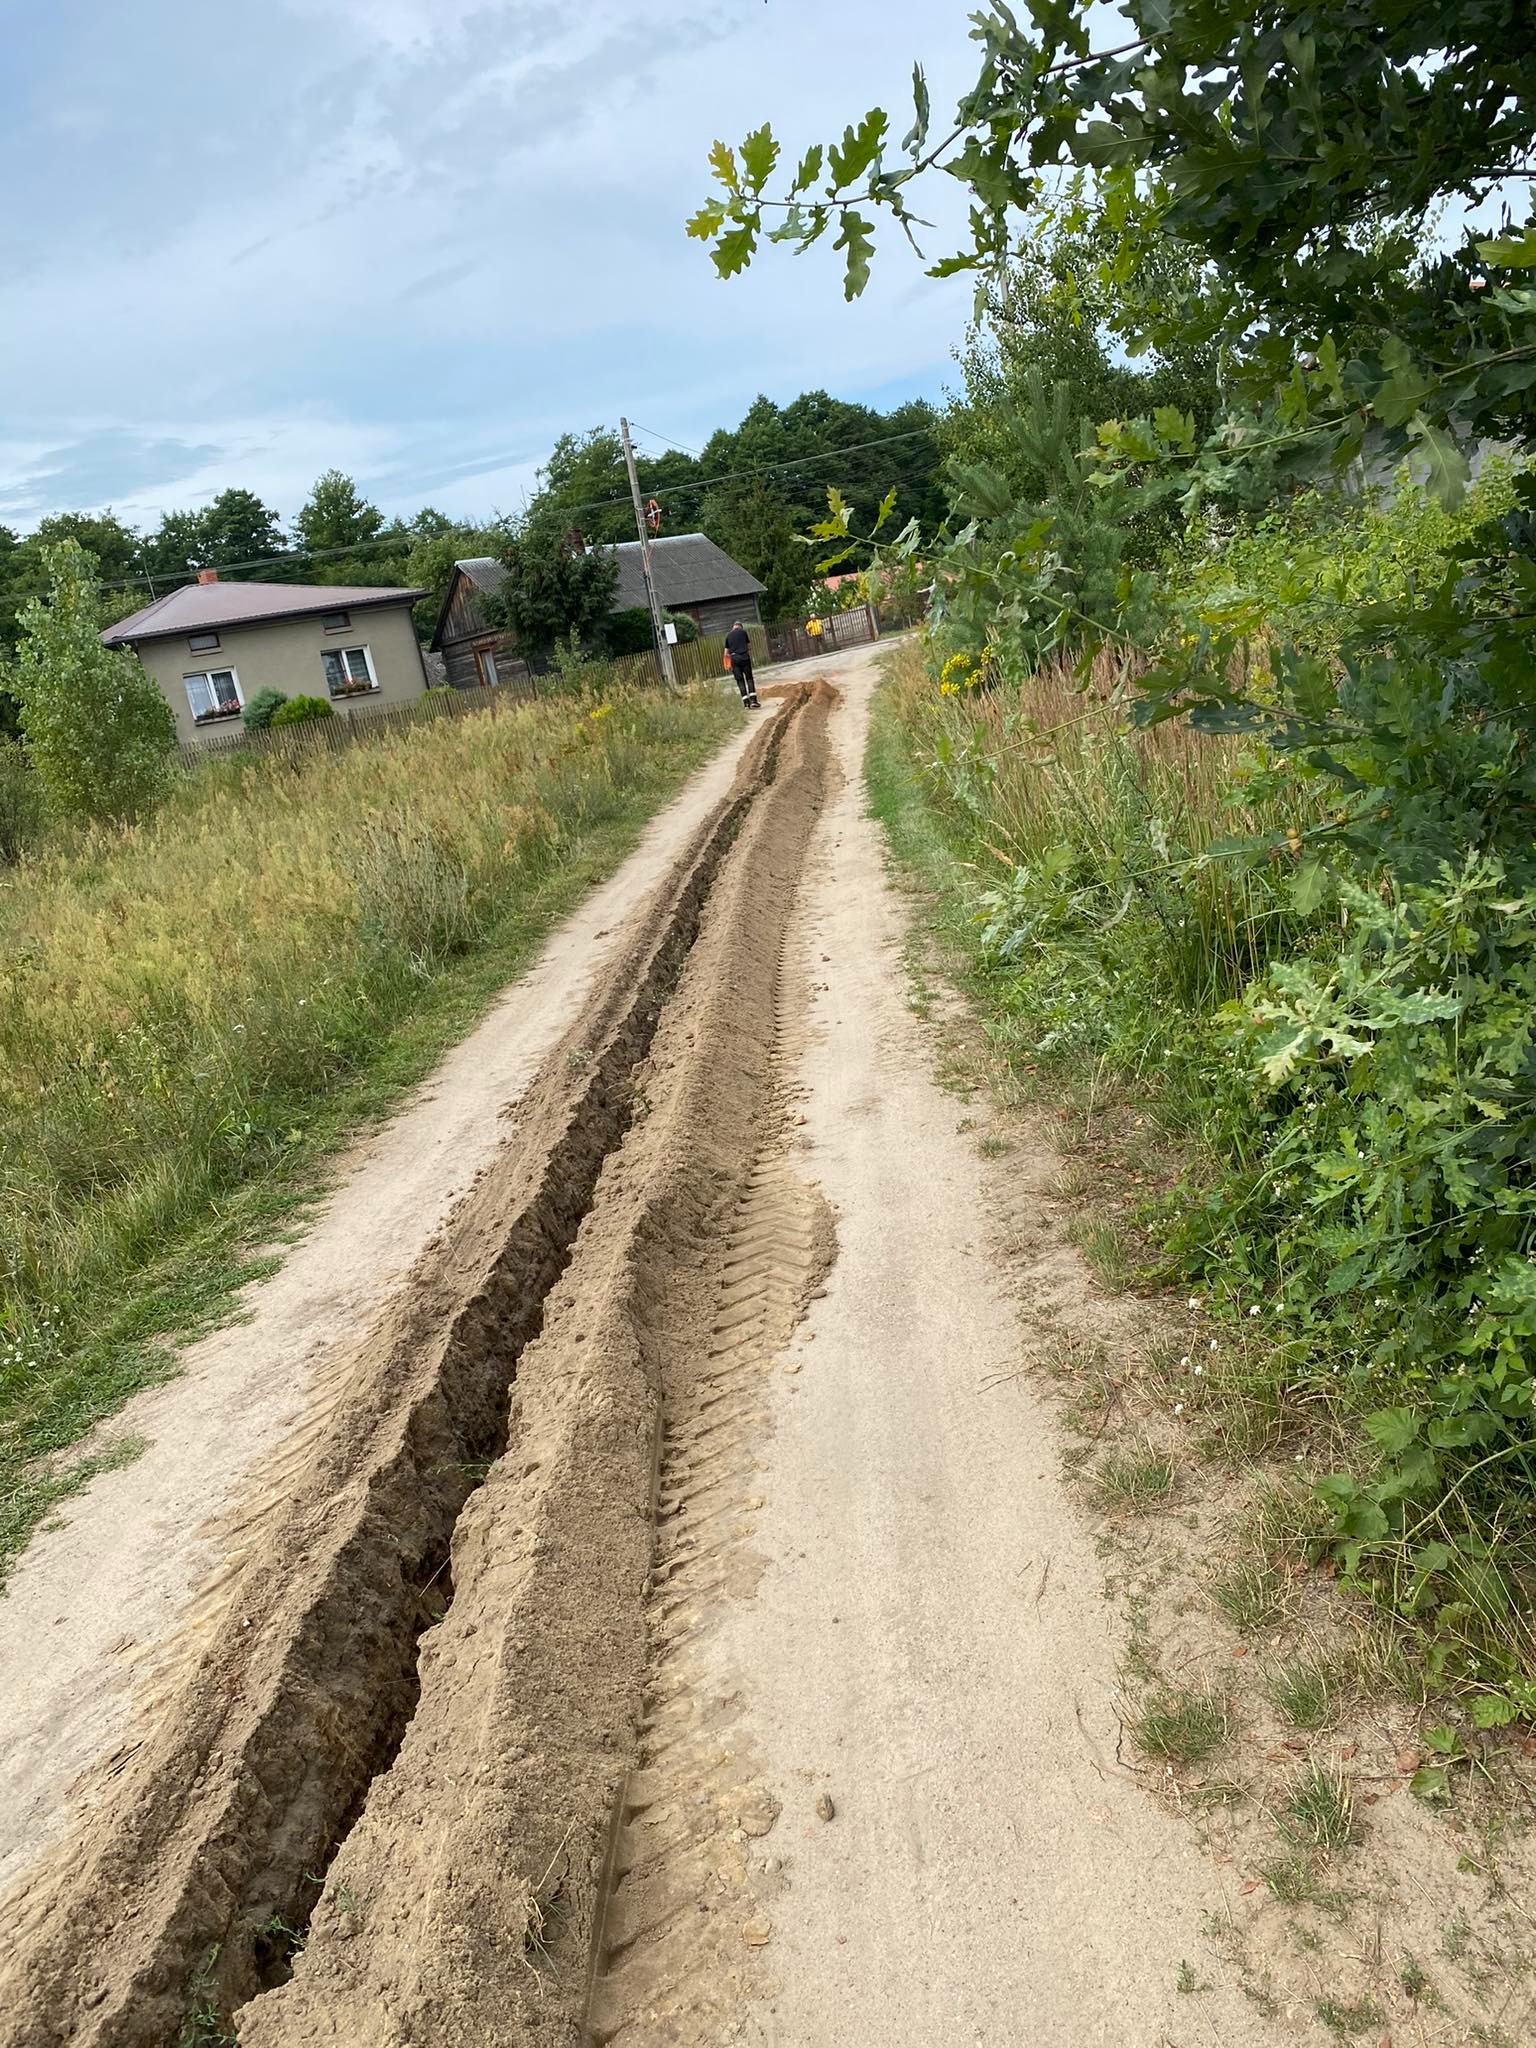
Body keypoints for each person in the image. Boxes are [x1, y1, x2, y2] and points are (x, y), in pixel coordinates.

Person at [724, 621, 760, 709]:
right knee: (749, 678)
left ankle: (746, 704)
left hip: (734, 659)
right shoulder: (743, 632)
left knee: (740, 681)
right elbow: (749, 646)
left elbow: (726, 653)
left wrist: (729, 662)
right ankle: (753, 701)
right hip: (744, 658)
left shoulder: (728, 636)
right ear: (740, 627)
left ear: (733, 627)